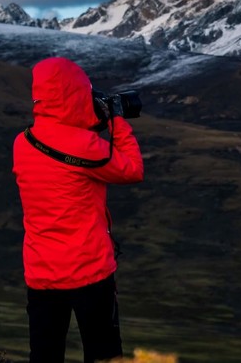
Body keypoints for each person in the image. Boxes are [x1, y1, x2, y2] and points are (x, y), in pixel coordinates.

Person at [13, 56, 144, 363]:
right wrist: (115, 119)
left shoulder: (22, 143)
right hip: (90, 271)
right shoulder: (86, 145)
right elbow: (133, 170)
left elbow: (60, 140)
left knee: (45, 356)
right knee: (105, 354)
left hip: (41, 272)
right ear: (75, 94)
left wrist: (86, 118)